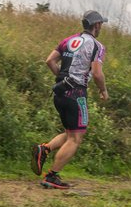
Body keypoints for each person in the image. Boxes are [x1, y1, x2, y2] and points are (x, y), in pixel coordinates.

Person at [31, 10, 109, 189]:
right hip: (76, 94)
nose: (101, 27)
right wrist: (103, 90)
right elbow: (97, 74)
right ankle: (51, 176)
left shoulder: (68, 40)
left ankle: (45, 149)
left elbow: (50, 61)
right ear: (97, 25)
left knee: (70, 133)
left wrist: (63, 78)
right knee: (76, 138)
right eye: (101, 24)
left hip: (59, 92)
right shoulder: (97, 46)